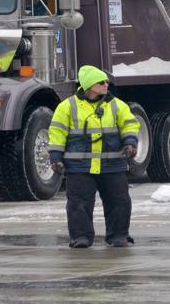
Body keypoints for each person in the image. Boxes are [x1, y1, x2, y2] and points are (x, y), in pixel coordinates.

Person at [48, 65, 142, 248]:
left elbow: (130, 124)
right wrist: (55, 157)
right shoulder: (67, 107)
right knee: (79, 204)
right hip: (80, 167)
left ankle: (119, 236)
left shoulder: (117, 105)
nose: (106, 85)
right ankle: (80, 238)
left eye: (106, 82)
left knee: (119, 202)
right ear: (89, 85)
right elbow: (57, 132)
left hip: (112, 165)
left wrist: (130, 143)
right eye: (101, 82)